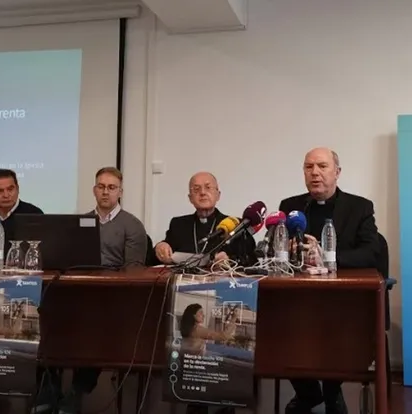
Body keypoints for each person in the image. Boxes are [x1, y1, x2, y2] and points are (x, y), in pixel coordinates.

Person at [278, 147, 388, 414]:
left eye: (322, 166)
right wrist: (290, 250)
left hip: (342, 298)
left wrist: (328, 256)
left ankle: (332, 389)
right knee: (277, 323)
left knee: (336, 325)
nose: (315, 173)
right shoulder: (290, 207)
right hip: (299, 296)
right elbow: (277, 249)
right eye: (309, 167)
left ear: (337, 172)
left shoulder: (359, 207)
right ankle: (308, 392)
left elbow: (371, 251)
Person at [46, 166, 147, 414]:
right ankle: (49, 391)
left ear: (120, 192)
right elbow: (66, 259)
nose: (105, 192)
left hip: (113, 299)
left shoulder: (132, 225)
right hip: (78, 292)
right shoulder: (79, 222)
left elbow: (133, 272)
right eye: (101, 186)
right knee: (47, 322)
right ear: (94, 190)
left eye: (111, 187)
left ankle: (76, 392)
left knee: (94, 333)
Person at [154, 172, 256, 266]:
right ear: (190, 198)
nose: (202, 192)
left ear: (218, 195)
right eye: (196, 189)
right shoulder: (178, 224)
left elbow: (252, 260)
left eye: (208, 187)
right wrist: (160, 246)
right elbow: (160, 254)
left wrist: (230, 260)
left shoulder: (235, 224)